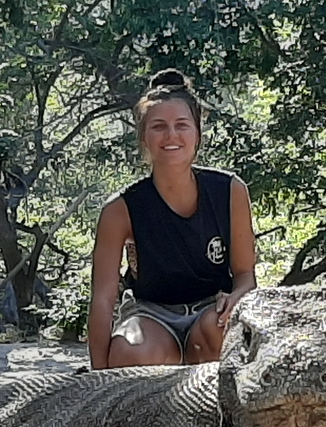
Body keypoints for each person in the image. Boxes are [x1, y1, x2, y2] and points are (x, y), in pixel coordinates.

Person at [88, 69, 257, 370]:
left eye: (182, 125)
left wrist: (236, 299)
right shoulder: (121, 209)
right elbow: (102, 300)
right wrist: (97, 382)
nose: (171, 136)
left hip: (211, 310)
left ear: (197, 134)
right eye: (158, 127)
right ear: (143, 136)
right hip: (150, 314)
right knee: (132, 353)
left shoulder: (230, 191)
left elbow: (245, 276)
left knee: (228, 337)